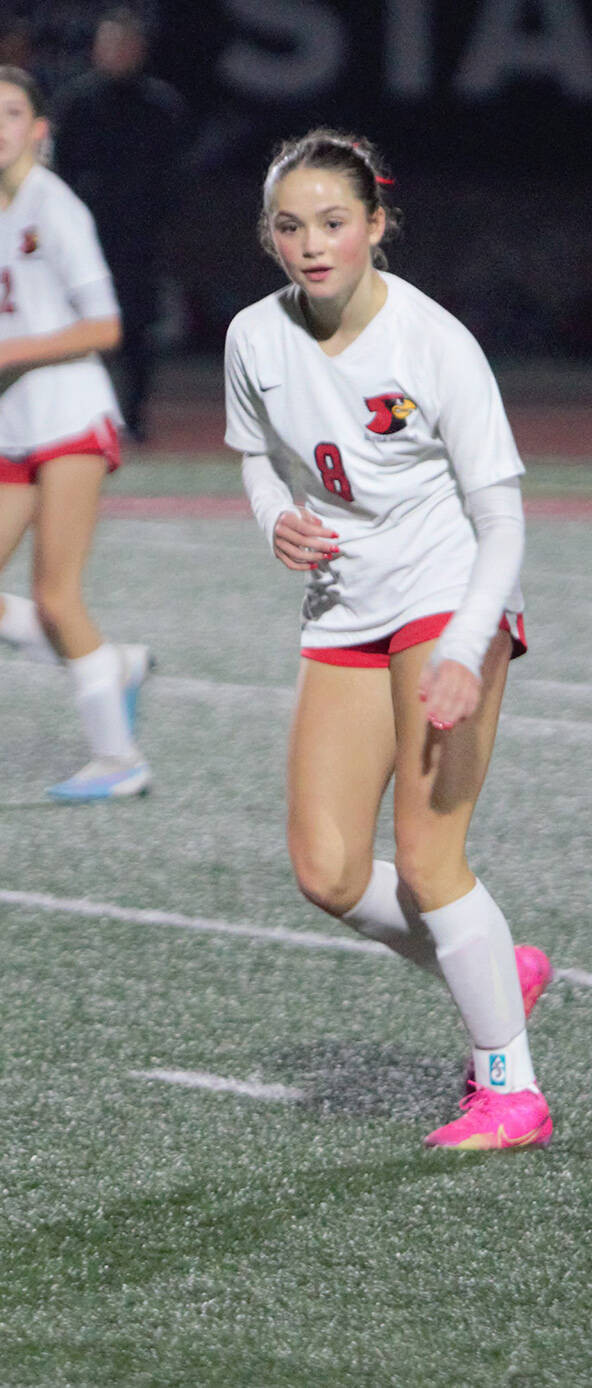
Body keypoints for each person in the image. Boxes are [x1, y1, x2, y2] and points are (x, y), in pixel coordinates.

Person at [225, 129, 552, 1150]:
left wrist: (464, 646)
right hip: (344, 611)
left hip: (448, 601)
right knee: (326, 870)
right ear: (270, 236)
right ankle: (499, 963)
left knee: (425, 858)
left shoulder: (434, 342)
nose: (313, 244)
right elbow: (258, 460)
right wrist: (272, 515)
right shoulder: (254, 337)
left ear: (375, 225)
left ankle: (512, 1092)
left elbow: (501, 521)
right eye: (291, 226)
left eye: (334, 222)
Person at [0, 65, 151, 802]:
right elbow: (16, 313)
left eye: (12, 112)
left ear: (39, 129)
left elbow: (105, 327)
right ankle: (110, 663)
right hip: (14, 421)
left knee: (57, 596)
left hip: (70, 413)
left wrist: (1, 350)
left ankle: (119, 759)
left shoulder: (57, 208)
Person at [50, 7, 189, 442]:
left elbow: (174, 173)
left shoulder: (159, 106)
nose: (116, 53)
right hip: (85, 238)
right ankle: (78, 416)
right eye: (109, 43)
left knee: (135, 330)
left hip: (137, 239)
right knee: (78, 327)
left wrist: (157, 219)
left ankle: (133, 415)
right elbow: (59, 171)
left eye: (125, 44)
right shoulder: (76, 103)